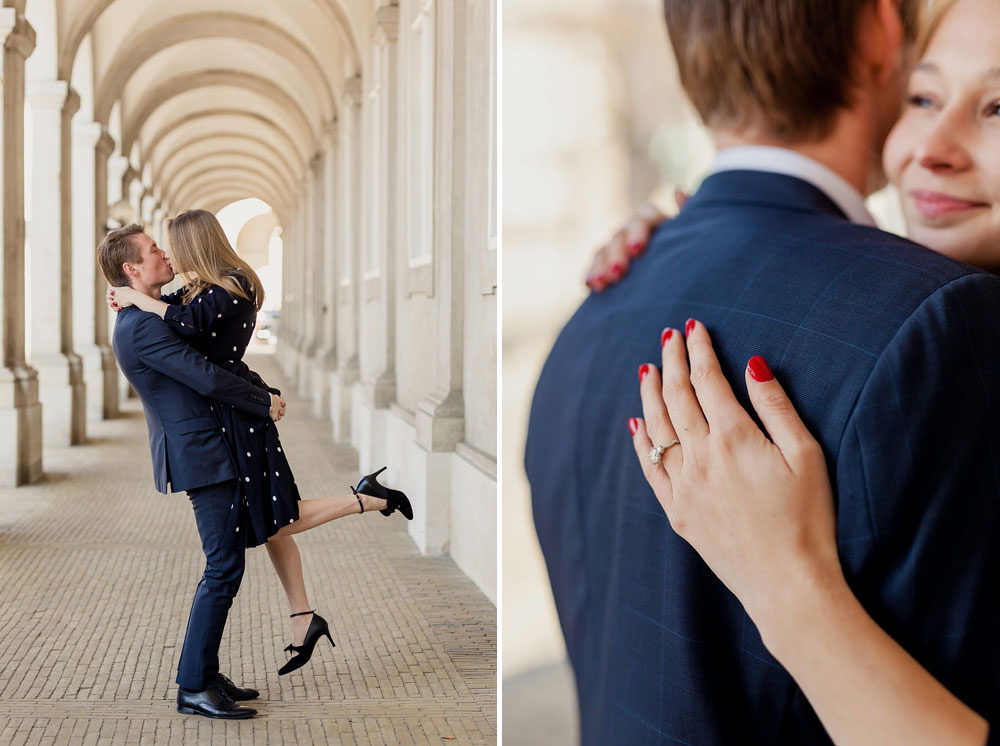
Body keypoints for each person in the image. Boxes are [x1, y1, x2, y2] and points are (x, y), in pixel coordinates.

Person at [525, 0, 1000, 743]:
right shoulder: (930, 324)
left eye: (998, 107)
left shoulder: (588, 322)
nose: (931, 145)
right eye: (923, 95)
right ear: (883, 33)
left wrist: (789, 585)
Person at [101, 218, 412, 717]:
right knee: (223, 567)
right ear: (130, 267)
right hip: (205, 456)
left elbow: (209, 337)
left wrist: (260, 394)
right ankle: (193, 685)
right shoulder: (141, 328)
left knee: (249, 542)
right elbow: (204, 376)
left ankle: (206, 672)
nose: (165, 254)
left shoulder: (153, 313)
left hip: (215, 449)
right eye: (153, 249)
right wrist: (262, 401)